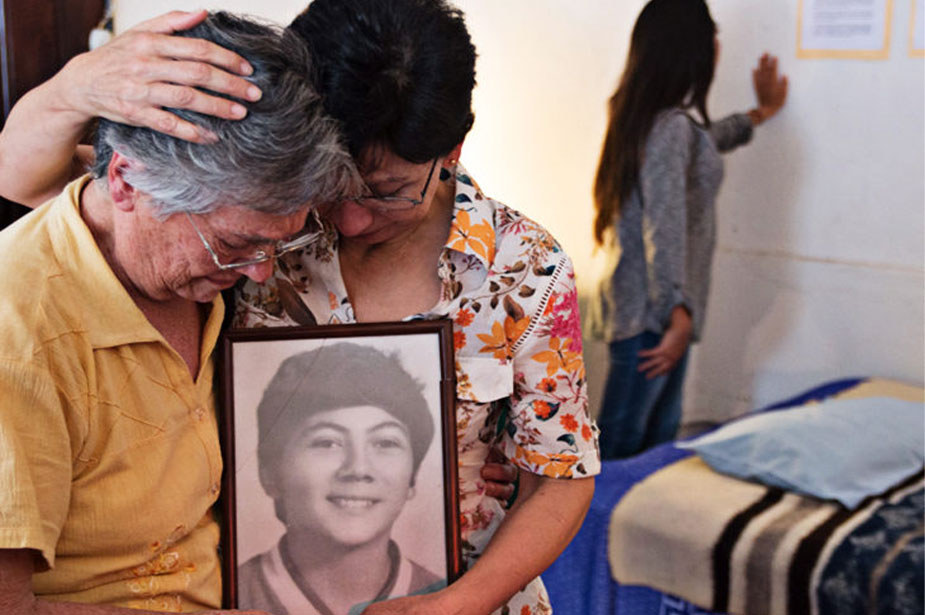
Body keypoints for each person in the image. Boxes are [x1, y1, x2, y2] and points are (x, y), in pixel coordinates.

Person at [0, 1, 600, 614]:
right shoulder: (255, 217)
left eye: (387, 194)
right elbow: (32, 183)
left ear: (451, 151)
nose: (349, 219)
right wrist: (79, 86)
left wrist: (460, 595)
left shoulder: (524, 265)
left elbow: (562, 473)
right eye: (333, 187)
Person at [0, 12, 358, 614]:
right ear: (125, 183)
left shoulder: (192, 274)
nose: (262, 272)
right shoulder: (23, 334)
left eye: (279, 244)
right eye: (236, 244)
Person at [590, 0, 788, 460]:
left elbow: (706, 142)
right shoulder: (669, 128)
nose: (718, 45)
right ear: (690, 49)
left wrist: (760, 113)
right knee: (625, 453)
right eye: (711, 35)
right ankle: (590, 534)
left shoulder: (649, 120)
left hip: (651, 313)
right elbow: (665, 226)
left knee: (646, 451)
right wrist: (678, 314)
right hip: (657, 319)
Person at [239, 343, 443, 615]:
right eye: (327, 442)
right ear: (270, 474)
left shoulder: (443, 596)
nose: (358, 468)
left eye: (385, 442)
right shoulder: (227, 592)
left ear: (412, 478)